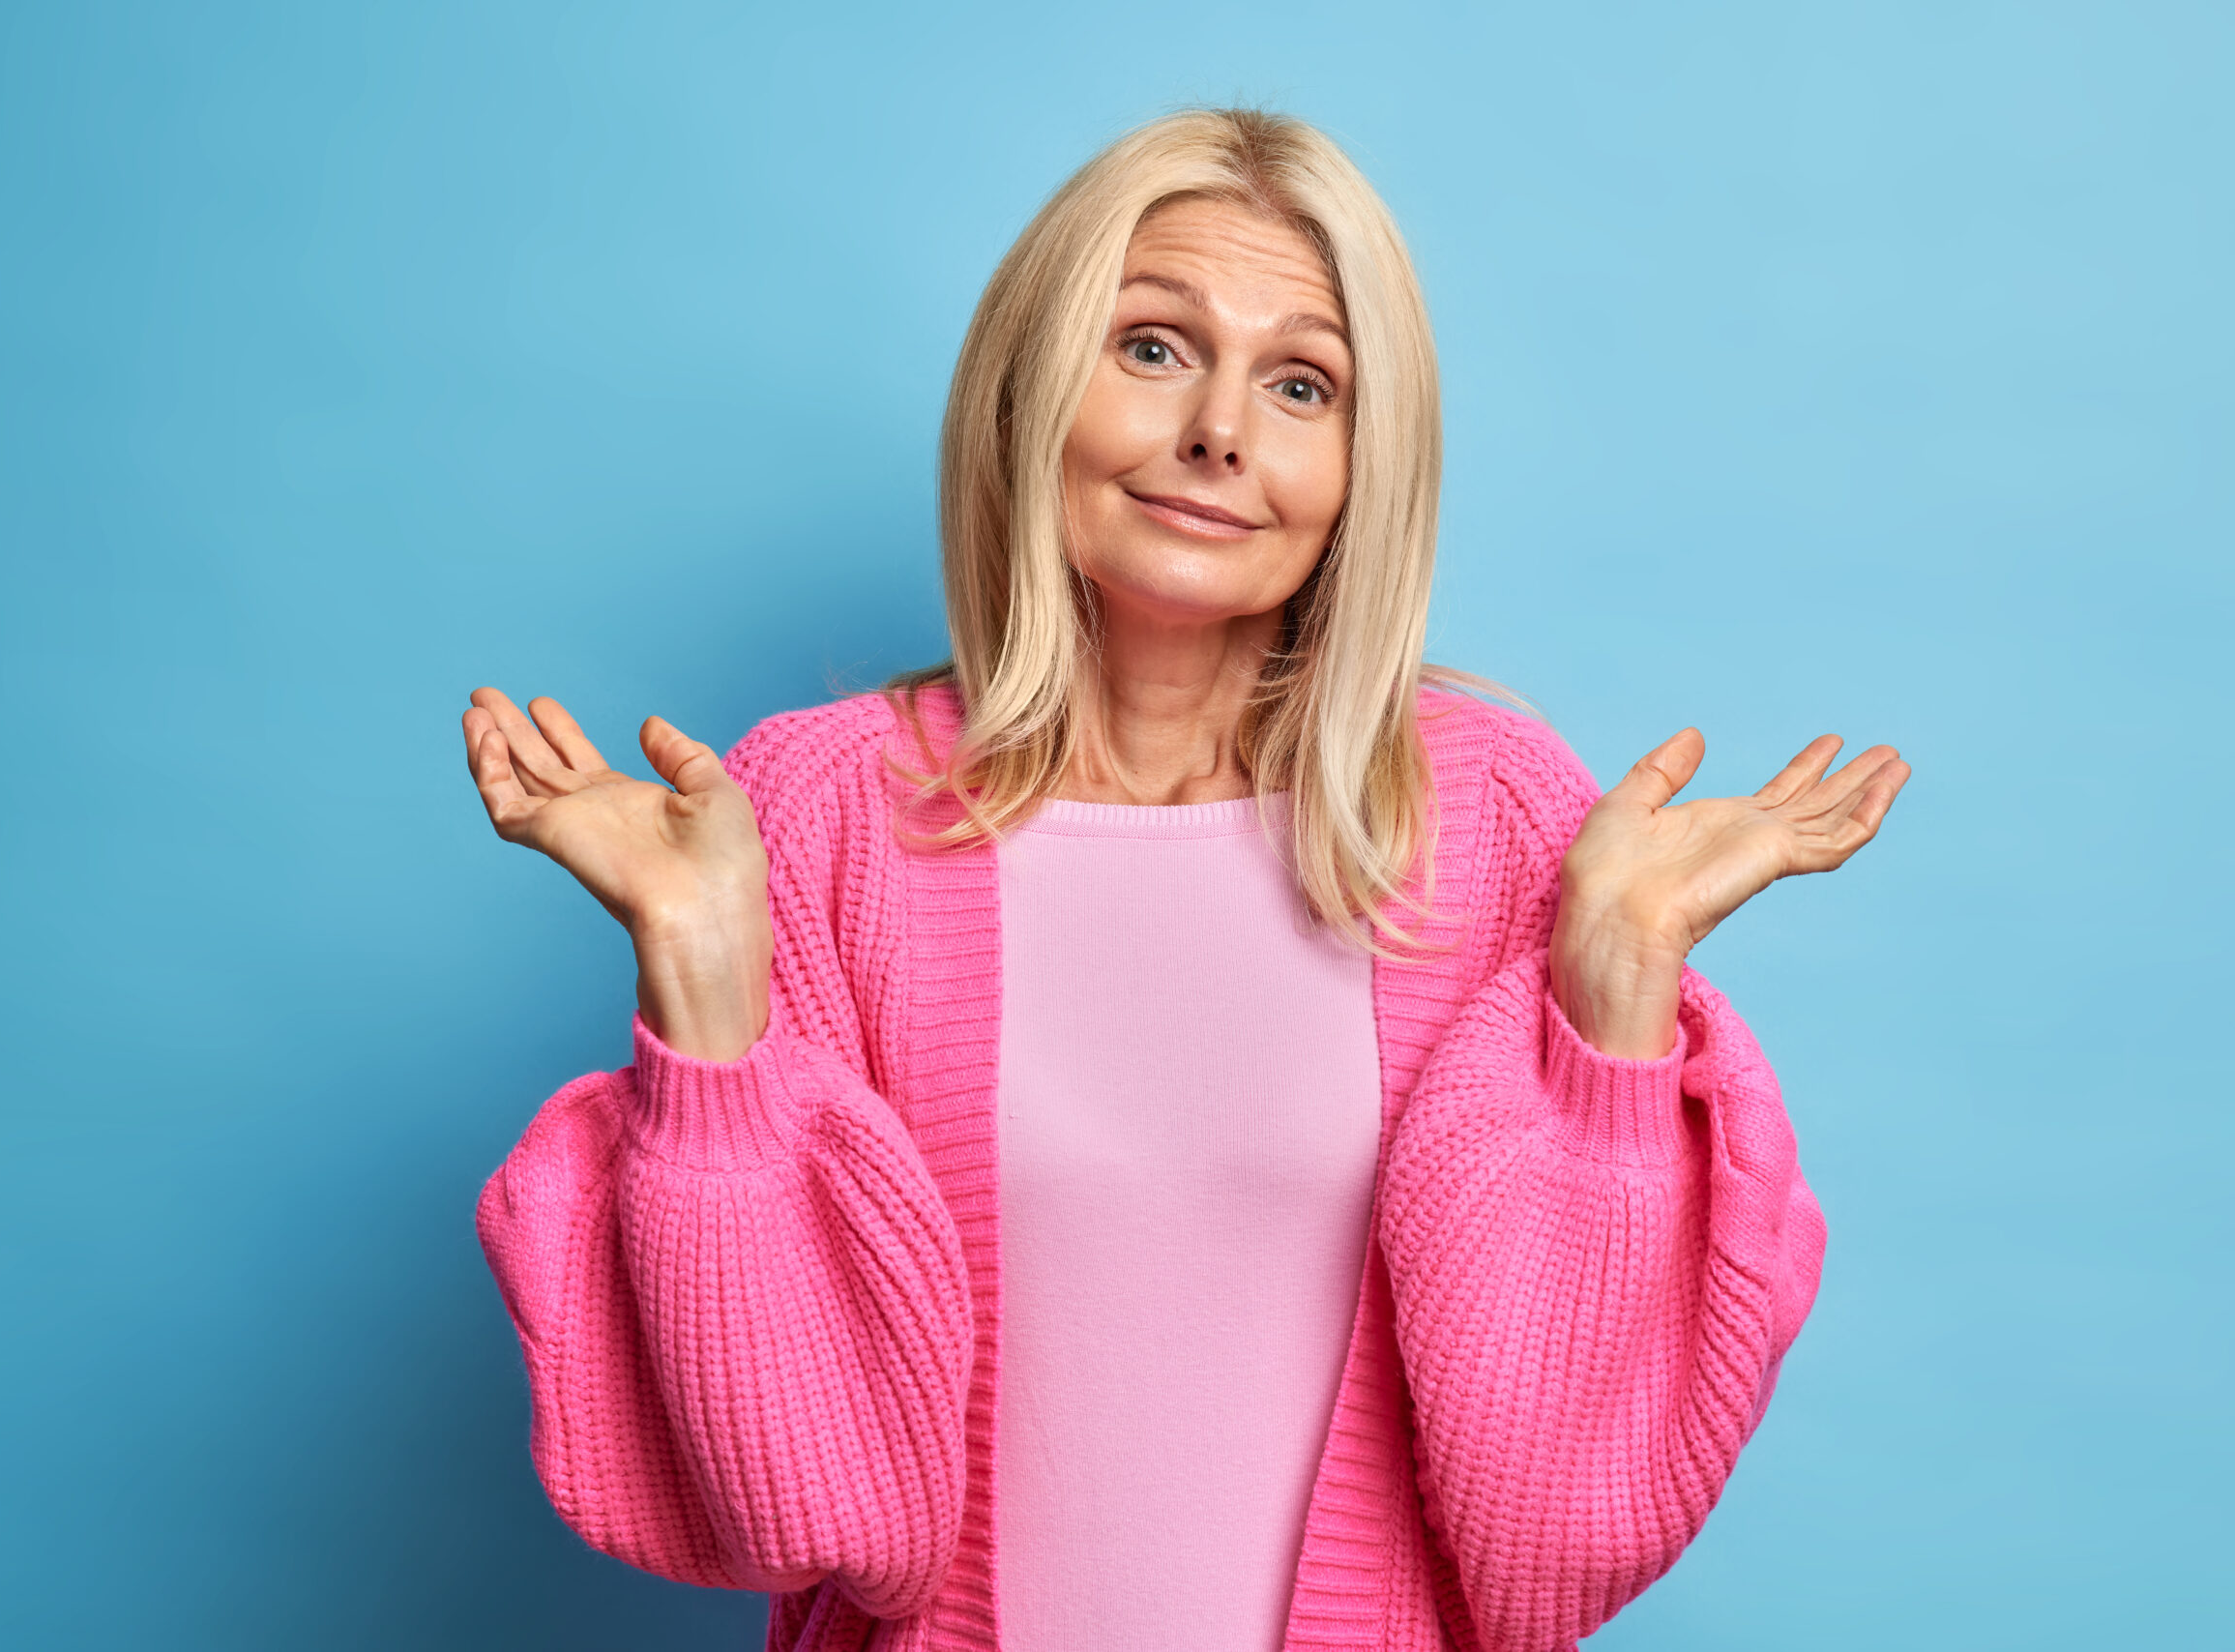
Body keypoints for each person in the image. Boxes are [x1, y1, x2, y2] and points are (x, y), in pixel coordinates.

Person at [462, 107, 1908, 1652]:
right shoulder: (812, 819)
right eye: (1153, 347)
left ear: (1366, 467)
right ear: (1033, 384)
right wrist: (707, 1008)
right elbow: (810, 1518)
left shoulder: (1493, 818)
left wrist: (1614, 1004)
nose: (1223, 429)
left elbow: (1548, 1538)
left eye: (1302, 384)